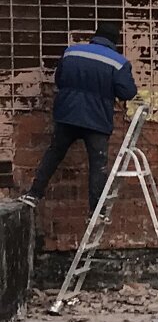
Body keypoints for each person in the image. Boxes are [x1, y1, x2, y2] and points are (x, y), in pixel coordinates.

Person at [22, 21, 138, 213]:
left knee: (54, 153)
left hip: (67, 115)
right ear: (114, 41)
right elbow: (128, 92)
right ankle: (96, 211)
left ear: (95, 36)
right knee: (98, 164)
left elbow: (59, 79)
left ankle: (34, 193)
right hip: (97, 121)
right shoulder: (118, 63)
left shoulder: (71, 52)